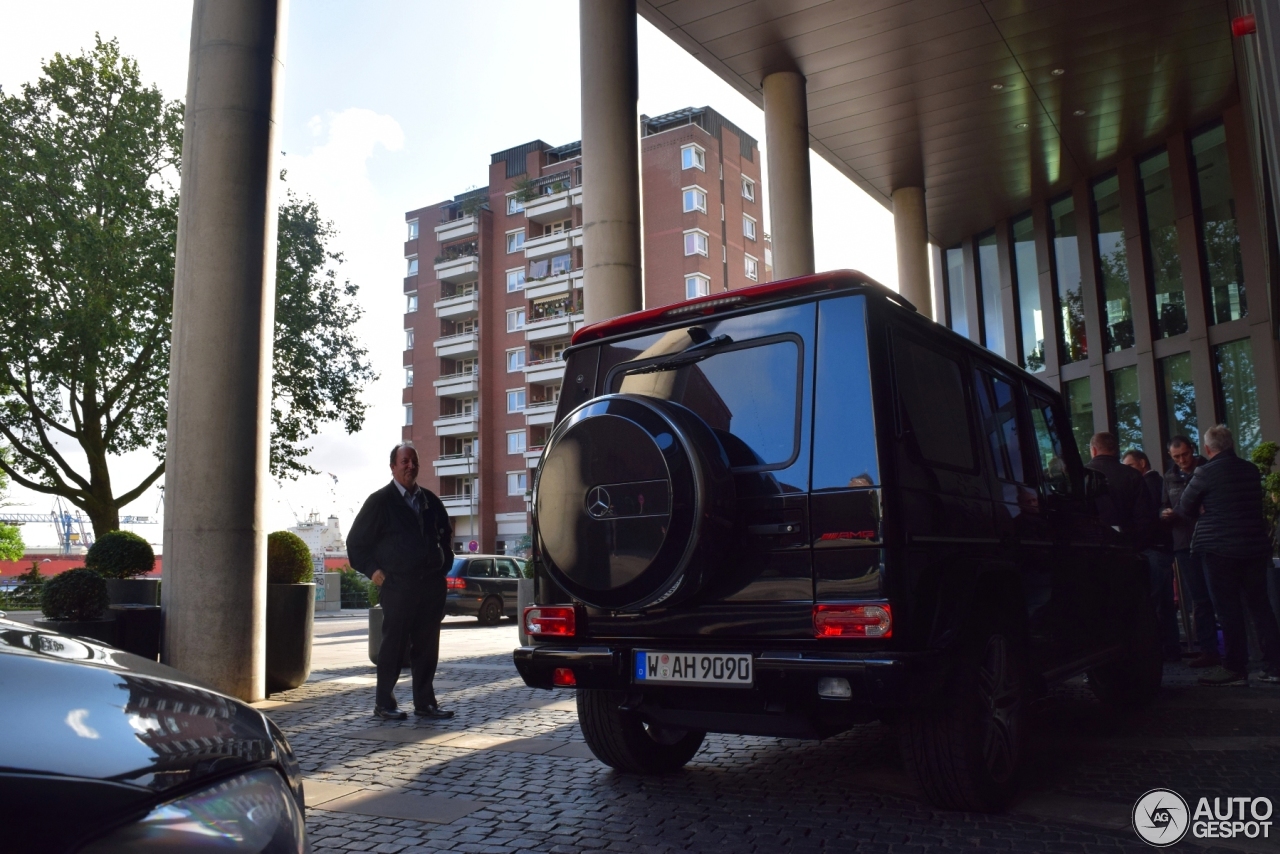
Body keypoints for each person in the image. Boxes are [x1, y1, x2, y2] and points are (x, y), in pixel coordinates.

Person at [348, 443, 456, 719]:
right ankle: (384, 703)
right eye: (405, 461)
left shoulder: (430, 501)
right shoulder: (380, 502)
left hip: (430, 587)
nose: (410, 466)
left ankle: (425, 703)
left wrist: (443, 566)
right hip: (398, 586)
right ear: (393, 466)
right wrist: (375, 573)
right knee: (393, 647)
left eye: (414, 461)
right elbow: (356, 544)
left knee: (427, 647)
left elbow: (445, 536)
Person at [1170, 425, 1280, 686]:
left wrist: (1206, 508)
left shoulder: (1205, 472)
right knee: (1260, 606)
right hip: (1254, 546)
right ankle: (1275, 666)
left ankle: (1234, 668)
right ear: (1231, 445)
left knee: (1227, 609)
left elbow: (1184, 507)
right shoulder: (1251, 470)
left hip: (1218, 548)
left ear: (1208, 449)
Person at [1160, 436, 1219, 667]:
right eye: (1177, 457)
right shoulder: (1169, 477)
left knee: (1219, 597)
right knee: (1199, 599)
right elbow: (1163, 504)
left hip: (1210, 540)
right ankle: (1209, 650)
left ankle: (1231, 651)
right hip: (1184, 543)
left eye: (1185, 454)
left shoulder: (1207, 470)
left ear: (1192, 451)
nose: (1182, 460)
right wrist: (1164, 513)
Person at [1123, 449, 1180, 661]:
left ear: (1142, 463)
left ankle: (1157, 651)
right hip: (1164, 549)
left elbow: (1146, 519)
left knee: (1154, 603)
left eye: (1130, 466)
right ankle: (1172, 650)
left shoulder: (1147, 485)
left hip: (1154, 549)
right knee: (1165, 605)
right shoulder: (1158, 481)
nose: (1127, 471)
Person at [1085, 431, 1155, 548]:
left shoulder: (1083, 475)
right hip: (1126, 546)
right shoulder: (1133, 475)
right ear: (1116, 450)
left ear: (1094, 450)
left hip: (1091, 546)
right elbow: (1144, 516)